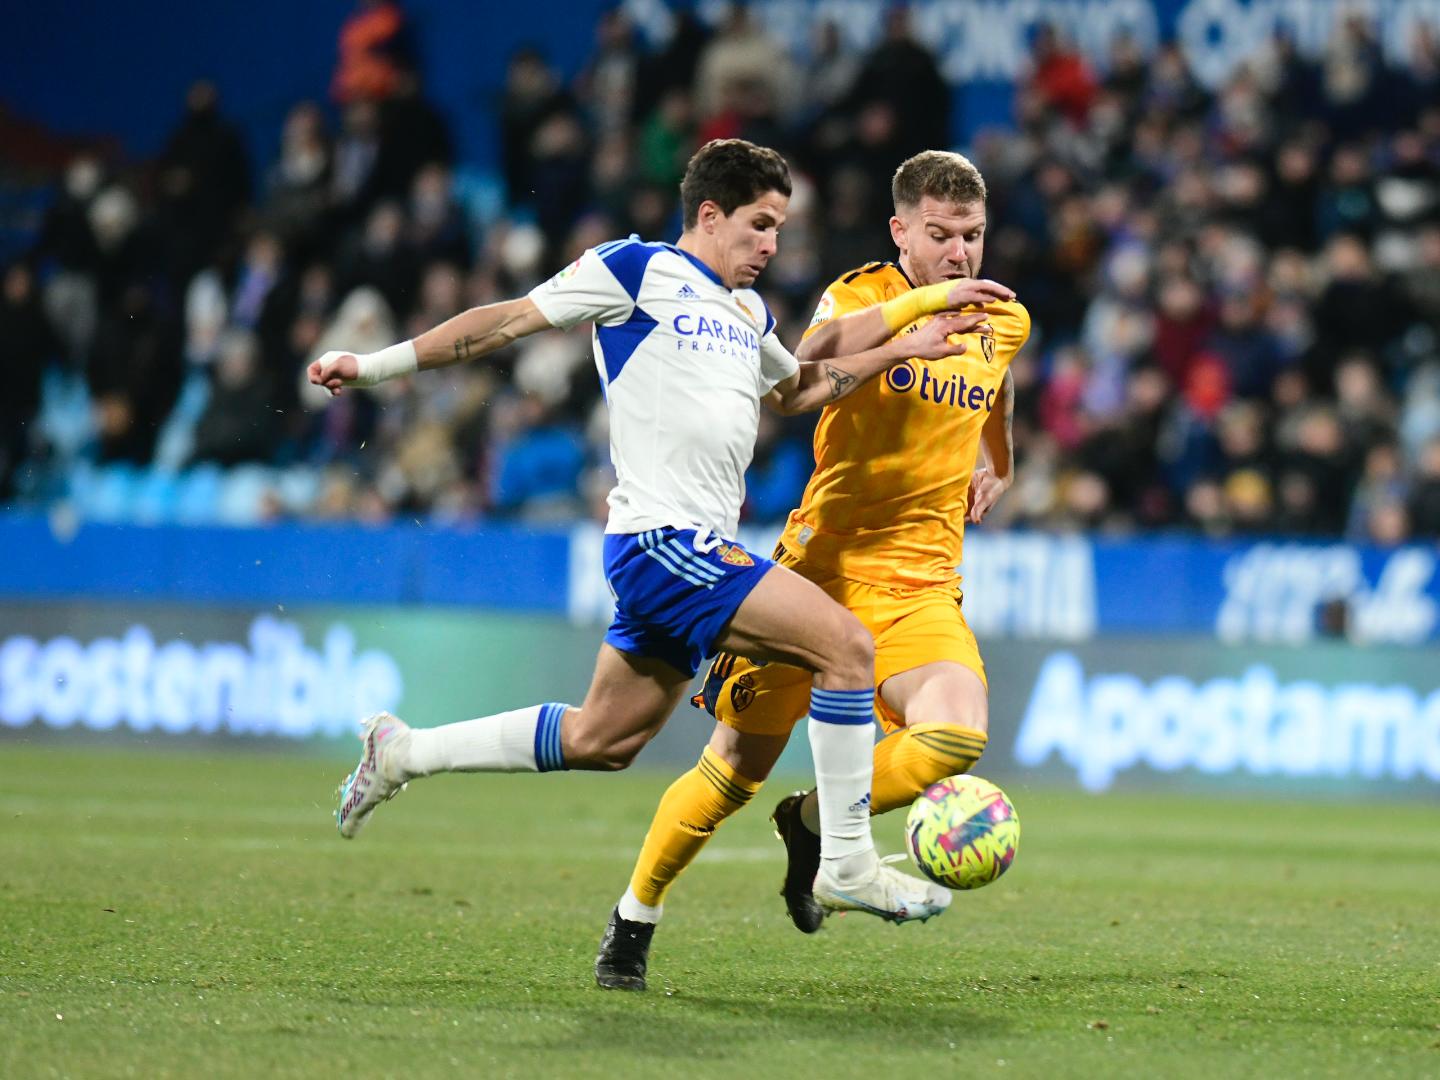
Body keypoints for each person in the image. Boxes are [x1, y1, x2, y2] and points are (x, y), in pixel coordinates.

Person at [309, 140, 997, 955]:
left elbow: (801, 390)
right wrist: (373, 367)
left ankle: (402, 753)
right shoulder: (635, 271)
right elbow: (506, 320)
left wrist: (899, 350)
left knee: (602, 740)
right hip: (662, 540)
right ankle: (844, 861)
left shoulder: (748, 313)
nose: (772, 244)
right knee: (846, 646)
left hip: (693, 552)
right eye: (760, 224)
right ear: (709, 214)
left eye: (779, 227)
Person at [594, 150, 1028, 990]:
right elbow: (808, 355)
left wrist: (1000, 464)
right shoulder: (861, 296)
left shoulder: (1003, 317)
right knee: (730, 775)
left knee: (955, 735)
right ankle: (634, 915)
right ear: (901, 232)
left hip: (921, 585)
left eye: (972, 236)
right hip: (820, 574)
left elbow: (997, 382)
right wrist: (920, 313)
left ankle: (816, 824)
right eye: (940, 235)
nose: (959, 253)